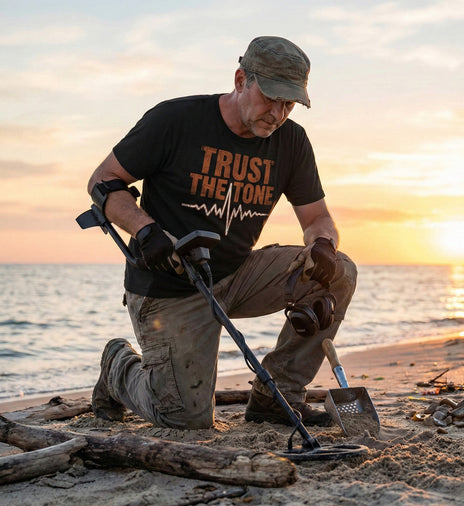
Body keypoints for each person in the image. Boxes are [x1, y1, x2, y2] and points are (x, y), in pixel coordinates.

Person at [87, 36, 357, 429]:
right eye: (270, 98)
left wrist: (323, 244)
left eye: (289, 103)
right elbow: (103, 182)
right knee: (186, 419)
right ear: (240, 79)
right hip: (170, 286)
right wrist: (146, 231)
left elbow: (318, 217)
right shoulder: (175, 120)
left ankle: (277, 397)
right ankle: (118, 366)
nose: (278, 113)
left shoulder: (292, 141)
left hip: (236, 274)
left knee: (340, 272)